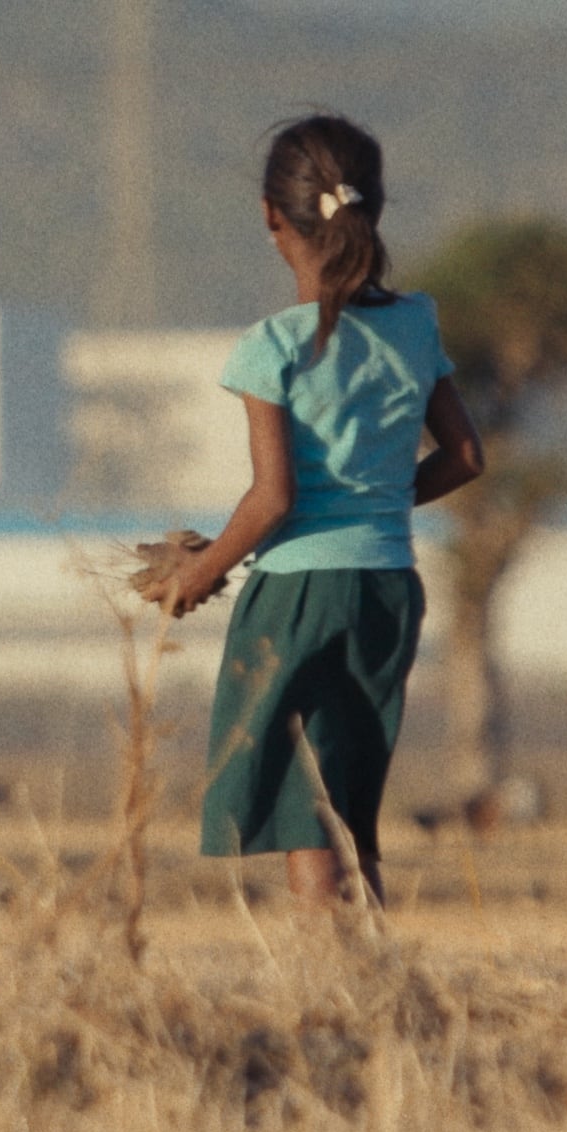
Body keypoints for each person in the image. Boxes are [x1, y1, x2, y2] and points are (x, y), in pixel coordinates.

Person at [153, 114, 484, 910]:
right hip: (387, 588)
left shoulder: (271, 347)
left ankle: (326, 989)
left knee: (305, 805)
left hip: (300, 596)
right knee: (348, 802)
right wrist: (369, 504)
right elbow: (465, 456)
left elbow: (275, 499)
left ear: (272, 218)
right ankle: (369, 979)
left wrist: (201, 571)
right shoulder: (415, 324)